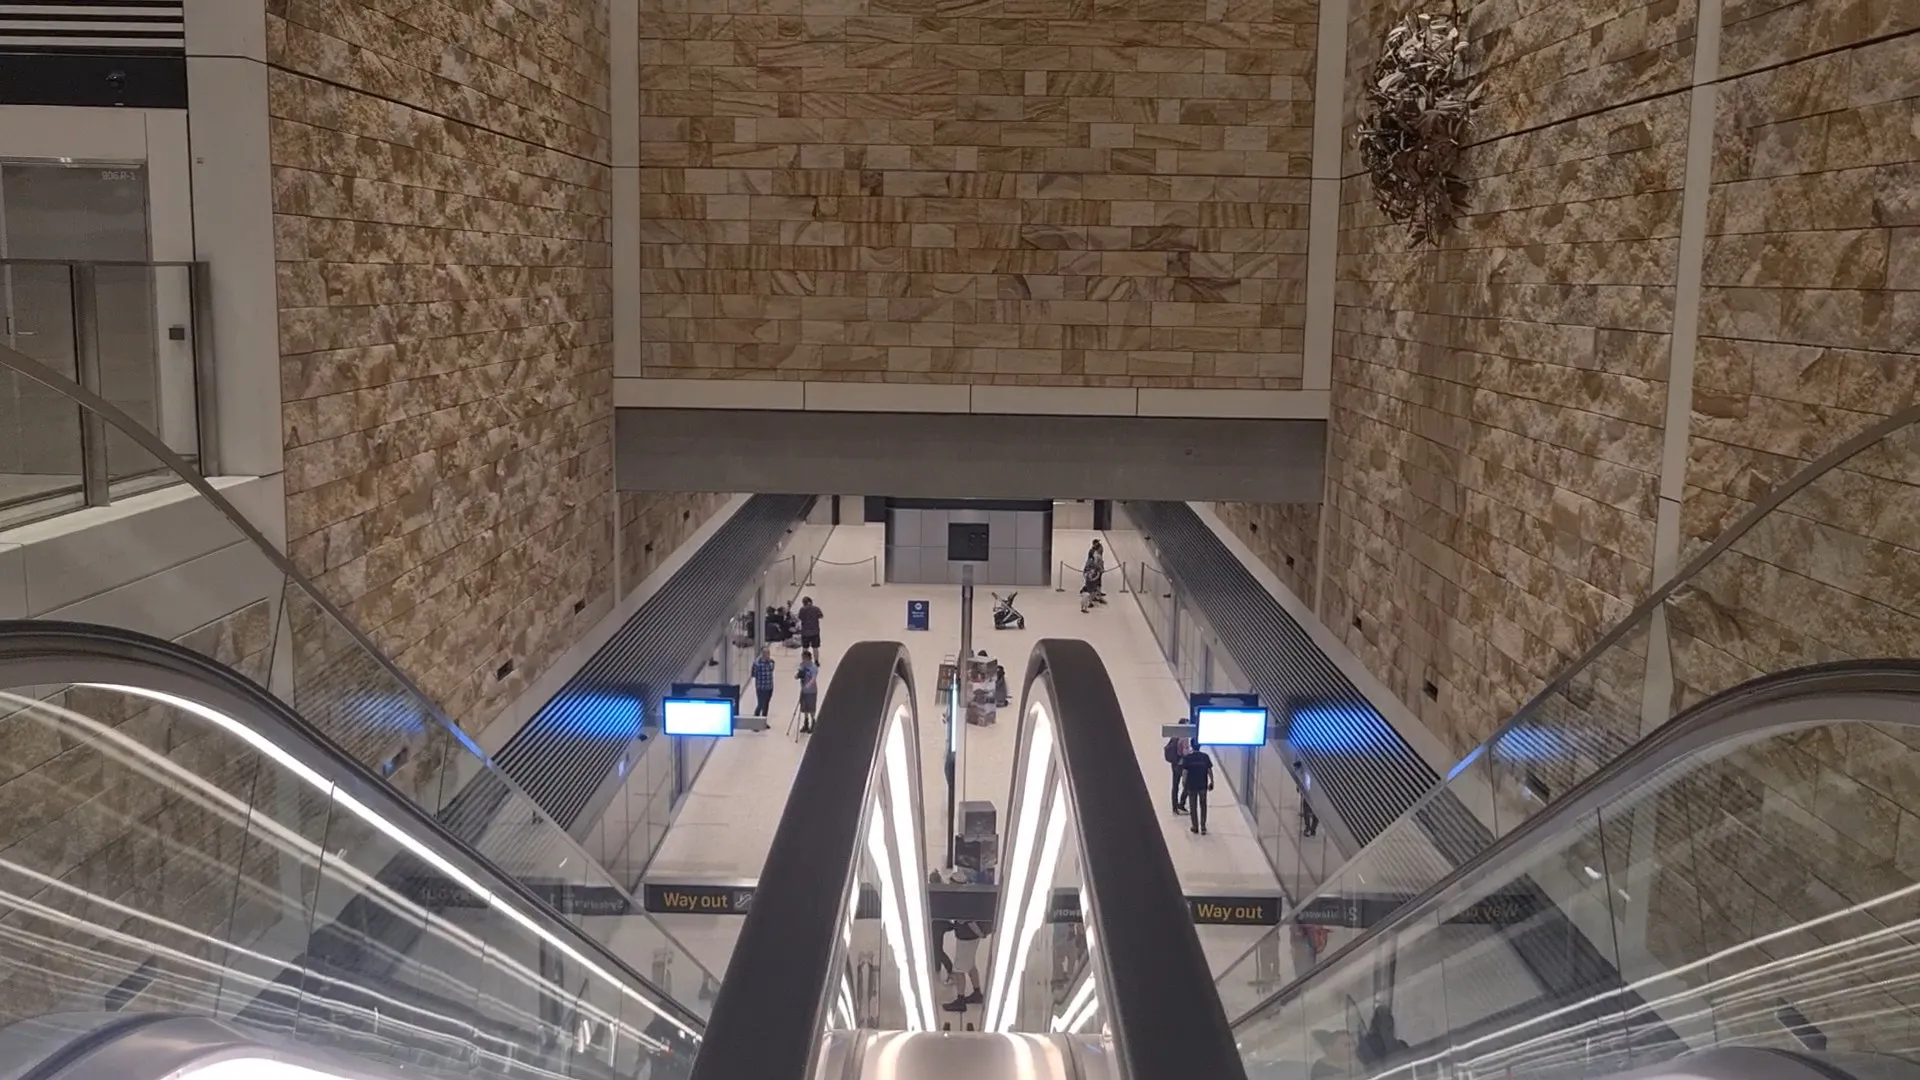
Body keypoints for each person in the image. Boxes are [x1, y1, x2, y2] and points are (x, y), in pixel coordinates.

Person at [943, 919, 988, 1011]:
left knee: (958, 970)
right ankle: (977, 994)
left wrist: (980, 933)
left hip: (966, 937)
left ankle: (960, 1001)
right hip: (972, 936)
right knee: (971, 964)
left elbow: (967, 919)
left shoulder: (965, 906)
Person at [1182, 739, 1215, 835]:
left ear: (1191, 746)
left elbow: (1185, 772)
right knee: (1203, 805)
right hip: (1202, 785)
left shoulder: (1188, 758)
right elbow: (1209, 770)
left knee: (1193, 806)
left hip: (1192, 785)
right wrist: (1212, 782)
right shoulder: (1205, 757)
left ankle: (1195, 826)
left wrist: (1184, 783)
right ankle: (1203, 826)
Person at [796, 649, 820, 733]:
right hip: (803, 691)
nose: (803, 660)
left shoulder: (813, 667)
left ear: (808, 658)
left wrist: (808, 686)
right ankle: (806, 723)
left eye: (804, 658)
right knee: (804, 708)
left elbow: (813, 678)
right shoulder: (802, 665)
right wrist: (797, 675)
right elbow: (798, 674)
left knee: (811, 708)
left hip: (811, 691)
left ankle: (813, 722)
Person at [1164, 733, 1188, 813]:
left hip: (1174, 763)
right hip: (1181, 764)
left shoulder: (1174, 737)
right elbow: (1183, 753)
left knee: (1175, 785)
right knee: (1187, 784)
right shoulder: (1183, 738)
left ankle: (1174, 806)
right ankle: (1181, 804)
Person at [750, 646, 775, 721]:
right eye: (765, 653)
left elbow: (771, 670)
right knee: (760, 705)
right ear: (762, 654)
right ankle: (755, 722)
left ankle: (763, 721)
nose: (767, 655)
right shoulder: (757, 663)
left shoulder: (771, 662)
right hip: (760, 687)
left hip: (769, 687)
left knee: (766, 705)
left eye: (768, 653)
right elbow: (753, 674)